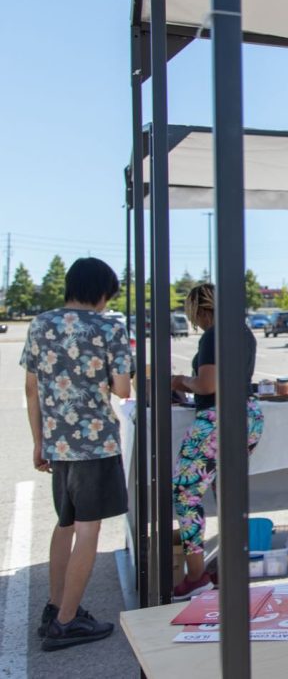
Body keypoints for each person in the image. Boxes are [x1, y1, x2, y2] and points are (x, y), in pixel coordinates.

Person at [21, 257, 132, 650]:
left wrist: (39, 440)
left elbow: (32, 388)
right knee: (89, 529)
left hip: (56, 442)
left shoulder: (40, 324)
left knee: (64, 524)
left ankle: (56, 607)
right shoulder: (109, 328)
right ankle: (66, 622)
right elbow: (123, 390)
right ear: (101, 292)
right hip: (95, 443)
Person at [170, 283, 264, 599]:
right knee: (227, 494)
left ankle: (195, 576)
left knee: (185, 493)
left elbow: (207, 384)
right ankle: (228, 569)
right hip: (247, 415)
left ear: (198, 308)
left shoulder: (213, 334)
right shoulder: (243, 331)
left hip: (218, 418)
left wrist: (178, 380)